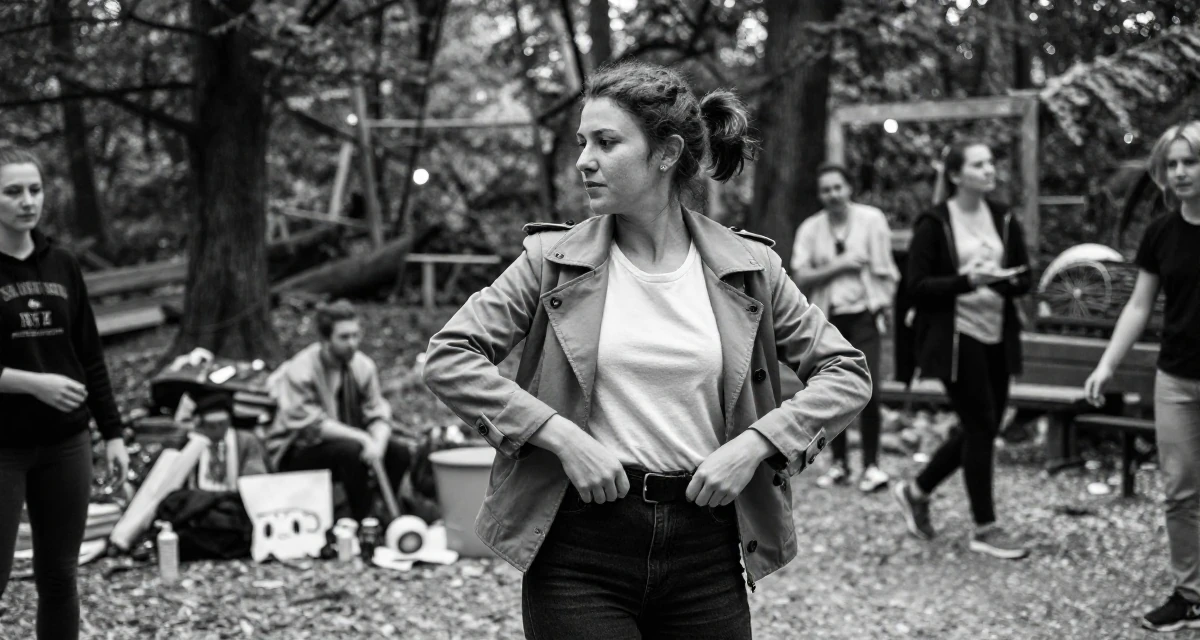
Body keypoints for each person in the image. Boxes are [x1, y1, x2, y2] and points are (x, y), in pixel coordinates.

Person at [423, 61, 872, 640]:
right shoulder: (549, 262)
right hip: (578, 549)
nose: (584, 159)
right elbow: (450, 355)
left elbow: (846, 372)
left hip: (707, 551)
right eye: (583, 142)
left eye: (607, 143)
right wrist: (561, 436)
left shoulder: (749, 268)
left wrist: (756, 446)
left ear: (665, 153)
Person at [0, 146, 130, 640]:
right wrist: (33, 383)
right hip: (4, 446)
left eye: (34, 190)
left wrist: (112, 433)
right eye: (13, 191)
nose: (27, 201)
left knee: (59, 577)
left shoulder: (63, 265)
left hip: (66, 442)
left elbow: (90, 354)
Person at [890, 139, 1032, 560]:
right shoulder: (934, 222)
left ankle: (915, 491)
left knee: (980, 427)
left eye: (991, 163)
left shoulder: (1004, 218)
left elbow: (1024, 278)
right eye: (980, 163)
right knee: (982, 424)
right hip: (956, 337)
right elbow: (916, 286)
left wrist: (1003, 279)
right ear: (955, 175)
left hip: (997, 334)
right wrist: (968, 281)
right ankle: (986, 527)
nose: (991, 170)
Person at [1084, 122, 1200, 632]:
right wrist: (1106, 364)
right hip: (1176, 379)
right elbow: (1138, 305)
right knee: (1179, 489)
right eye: (1171, 164)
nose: (1180, 172)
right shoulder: (1161, 233)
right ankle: (1190, 593)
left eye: (1189, 161)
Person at [792, 162, 900, 492]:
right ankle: (838, 464)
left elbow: (886, 269)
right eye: (826, 189)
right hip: (829, 318)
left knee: (869, 391)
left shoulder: (872, 220)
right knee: (831, 391)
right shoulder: (811, 229)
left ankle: (871, 465)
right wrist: (840, 266)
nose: (833, 194)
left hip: (865, 313)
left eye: (838, 187)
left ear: (848, 188)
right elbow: (800, 275)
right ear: (819, 195)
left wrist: (885, 303)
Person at [264, 299, 411, 521]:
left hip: (348, 442)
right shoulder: (301, 369)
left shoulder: (363, 366)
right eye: (344, 337)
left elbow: (377, 413)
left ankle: (380, 513)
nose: (352, 343)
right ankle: (360, 520)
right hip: (298, 449)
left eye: (355, 335)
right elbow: (310, 425)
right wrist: (362, 437)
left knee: (398, 452)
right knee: (350, 452)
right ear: (325, 340)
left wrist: (378, 444)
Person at [184, 392, 268, 491]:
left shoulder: (245, 440)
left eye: (222, 424)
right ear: (201, 425)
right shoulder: (191, 440)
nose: (218, 430)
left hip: (233, 498)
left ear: (229, 422)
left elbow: (255, 477)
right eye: (211, 426)